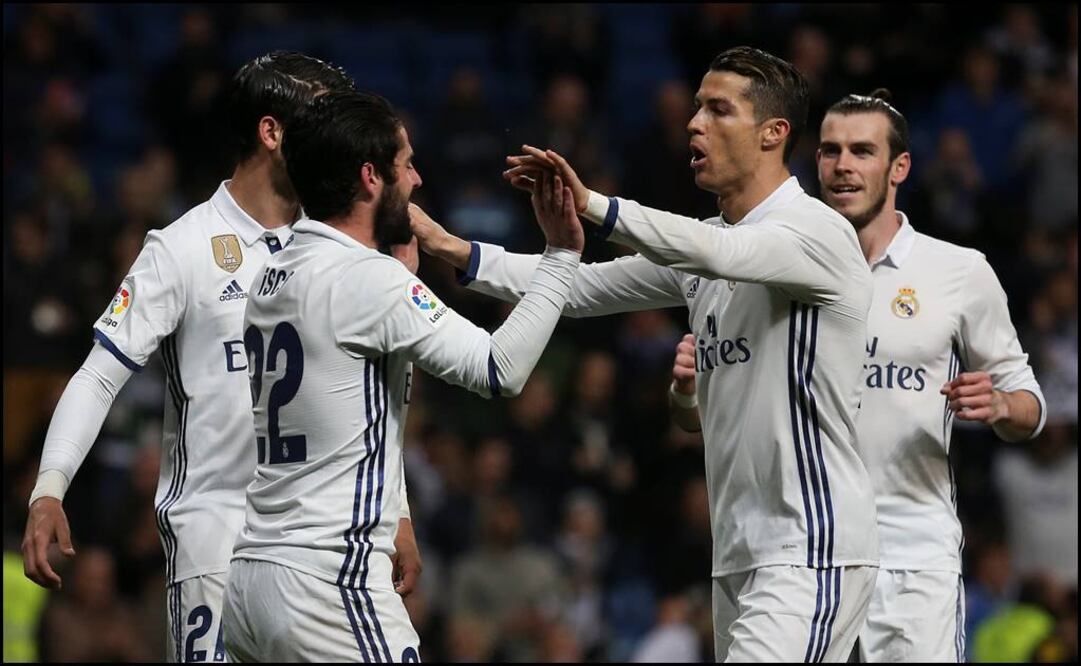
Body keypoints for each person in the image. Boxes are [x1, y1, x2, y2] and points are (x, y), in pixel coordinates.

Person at [413, 46, 878, 662]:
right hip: (740, 547)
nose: (695, 124)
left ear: (774, 134)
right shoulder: (710, 243)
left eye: (718, 110)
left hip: (810, 541)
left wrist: (594, 205)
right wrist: (453, 248)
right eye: (695, 109)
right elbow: (577, 288)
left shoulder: (819, 233)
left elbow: (724, 257)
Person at [17, 52, 420, 663]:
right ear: (271, 131)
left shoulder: (334, 245)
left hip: (315, 549)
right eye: (319, 117)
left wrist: (397, 511)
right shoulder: (180, 249)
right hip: (214, 545)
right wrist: (49, 489)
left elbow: (368, 395)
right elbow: (99, 376)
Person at [672, 89, 1047, 662]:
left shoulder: (958, 272)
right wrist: (688, 392)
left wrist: (999, 404)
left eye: (862, 151)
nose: (843, 165)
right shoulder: (775, 266)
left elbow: (1031, 406)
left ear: (899, 167)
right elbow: (706, 416)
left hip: (911, 558)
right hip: (807, 556)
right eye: (829, 151)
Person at [220, 90, 584, 662]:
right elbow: (500, 369)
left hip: (250, 580)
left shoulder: (273, 271)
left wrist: (400, 518)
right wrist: (561, 255)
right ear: (370, 177)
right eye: (406, 163)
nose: (415, 180)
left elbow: (354, 400)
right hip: (329, 582)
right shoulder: (370, 282)